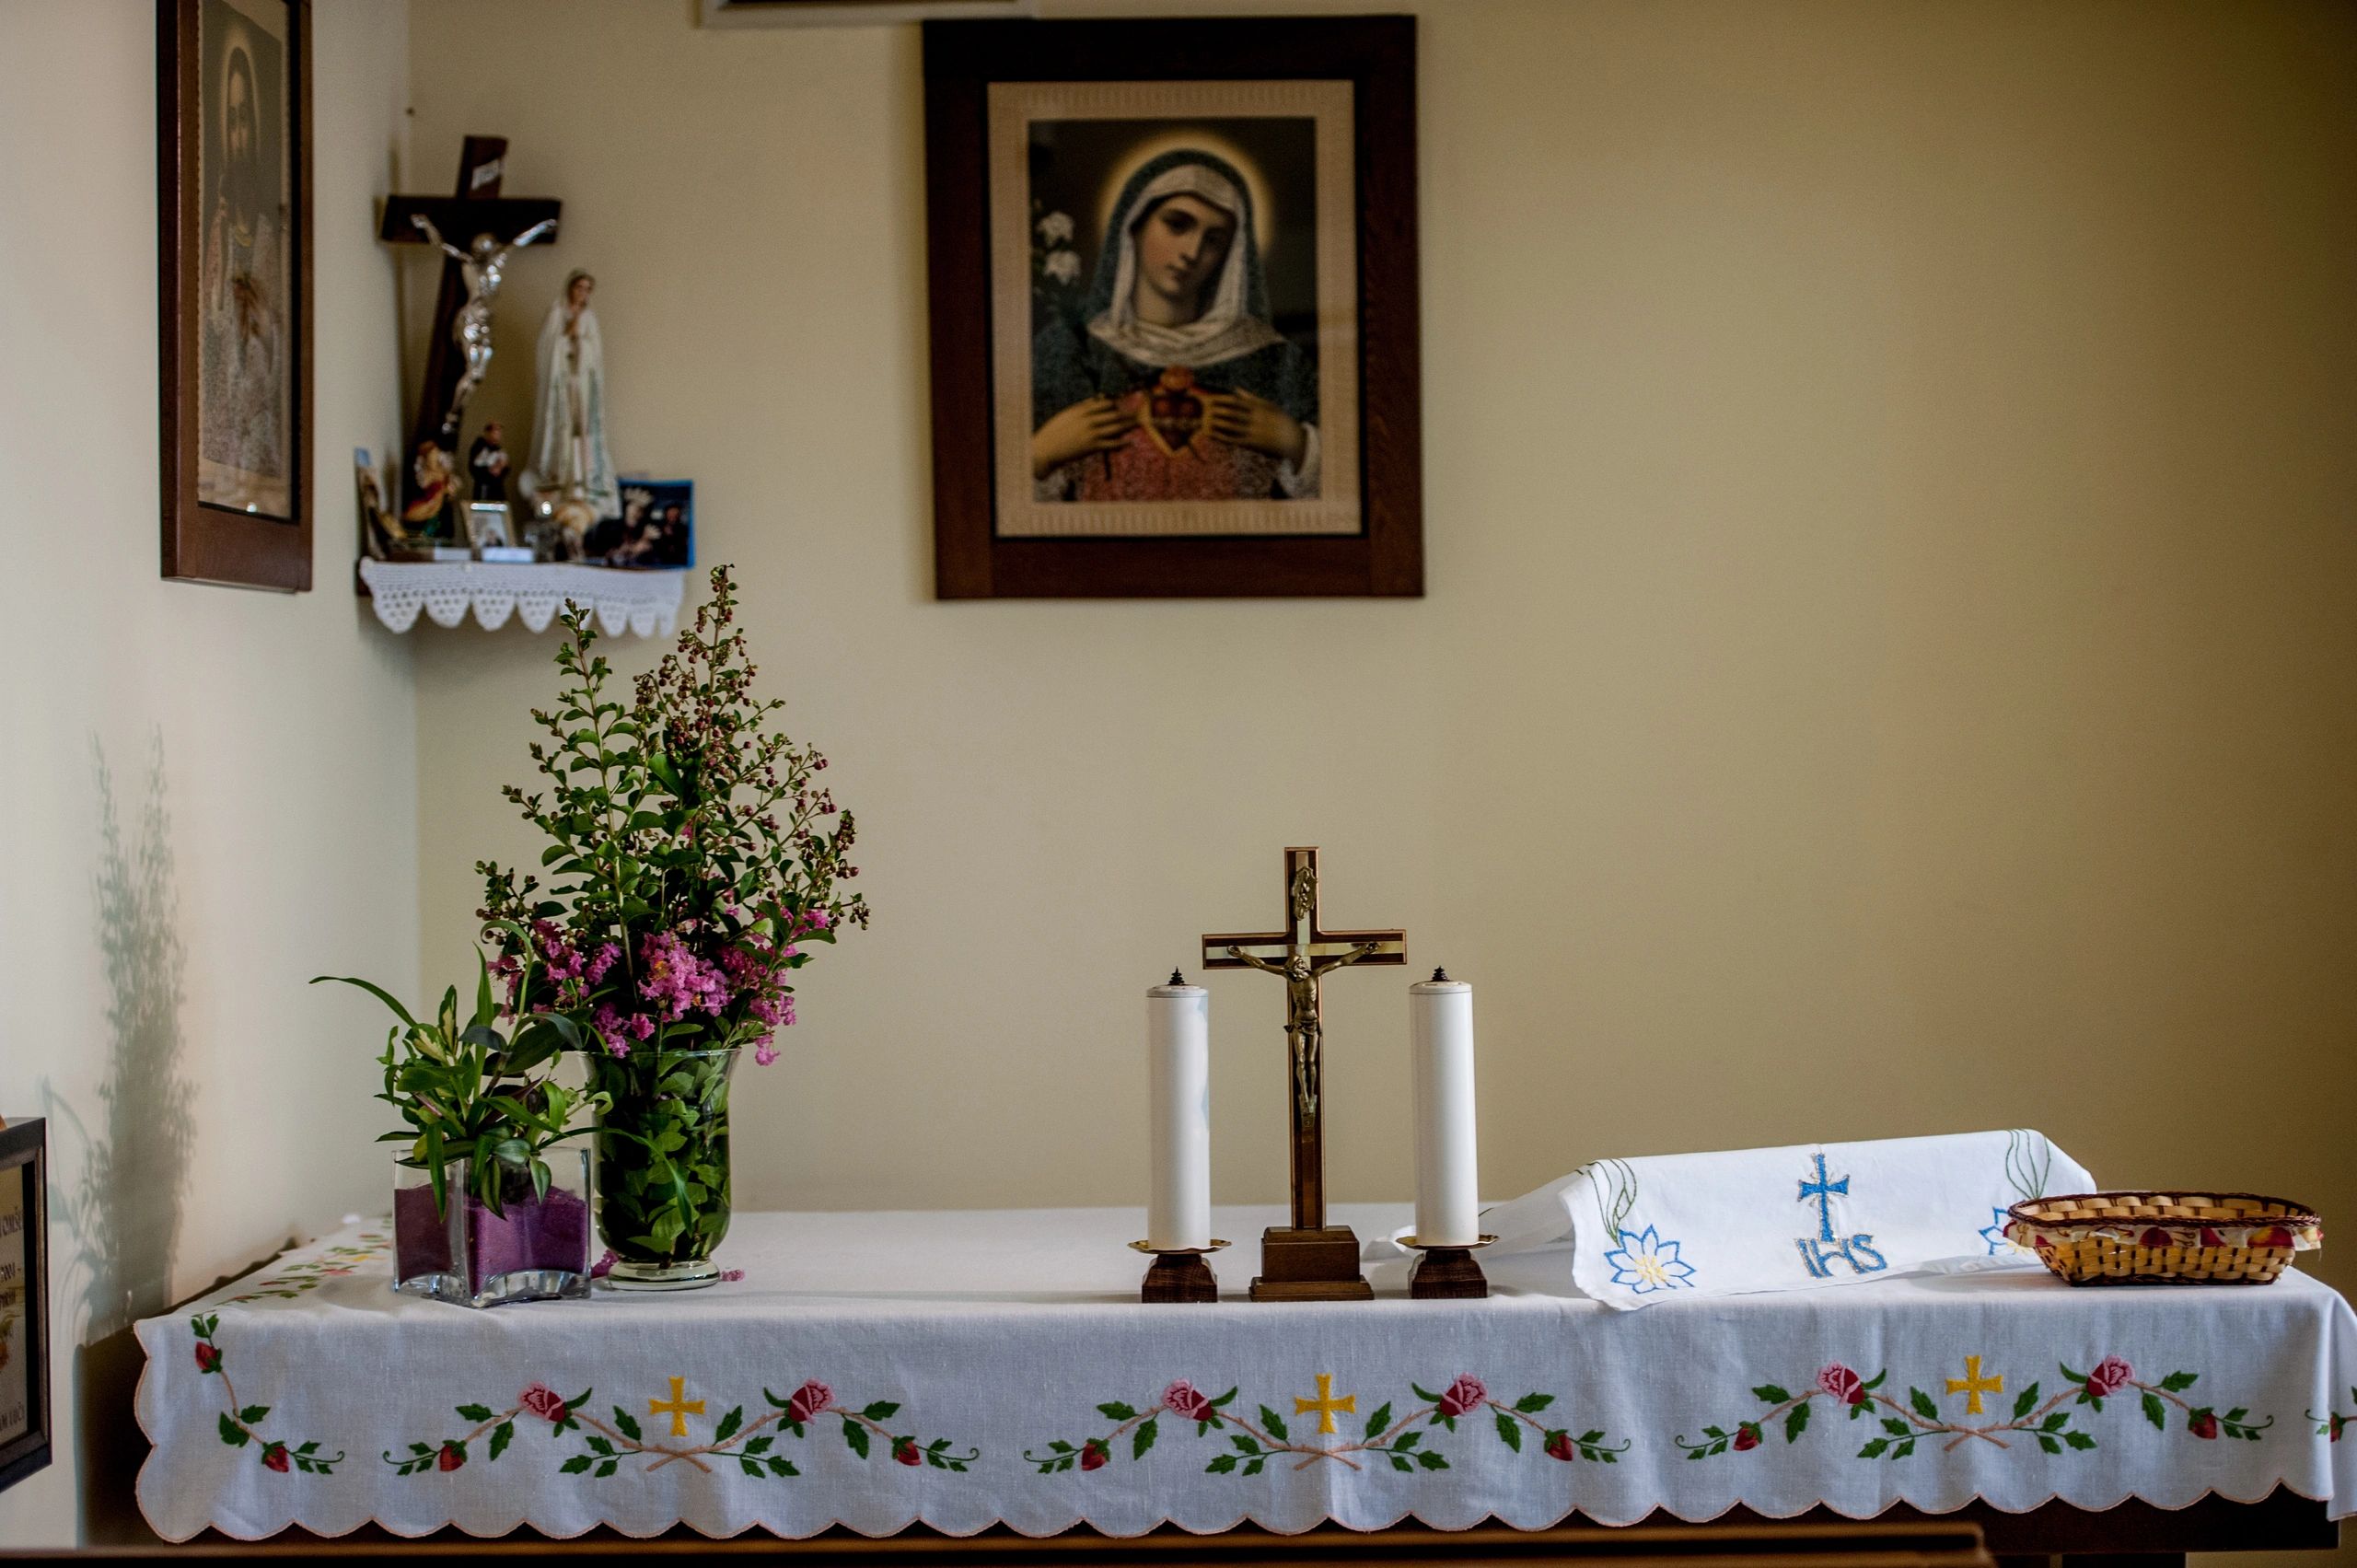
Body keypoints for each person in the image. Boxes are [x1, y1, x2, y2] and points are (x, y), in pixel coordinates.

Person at [1031, 148, 1318, 503]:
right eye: (1177, 224)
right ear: (1133, 226)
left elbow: (1351, 498)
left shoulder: (1274, 359)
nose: (1192, 251)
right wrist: (1041, 453)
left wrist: (1299, 445)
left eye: (1214, 240)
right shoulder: (1067, 349)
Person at [522, 270, 620, 523]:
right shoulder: (557, 312)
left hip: (582, 384)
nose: (583, 293)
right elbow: (549, 347)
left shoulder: (589, 318)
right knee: (561, 430)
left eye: (588, 289)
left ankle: (582, 482)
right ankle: (558, 480)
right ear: (571, 288)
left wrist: (580, 342)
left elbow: (594, 355)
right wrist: (567, 336)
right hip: (561, 384)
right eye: (579, 287)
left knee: (582, 431)